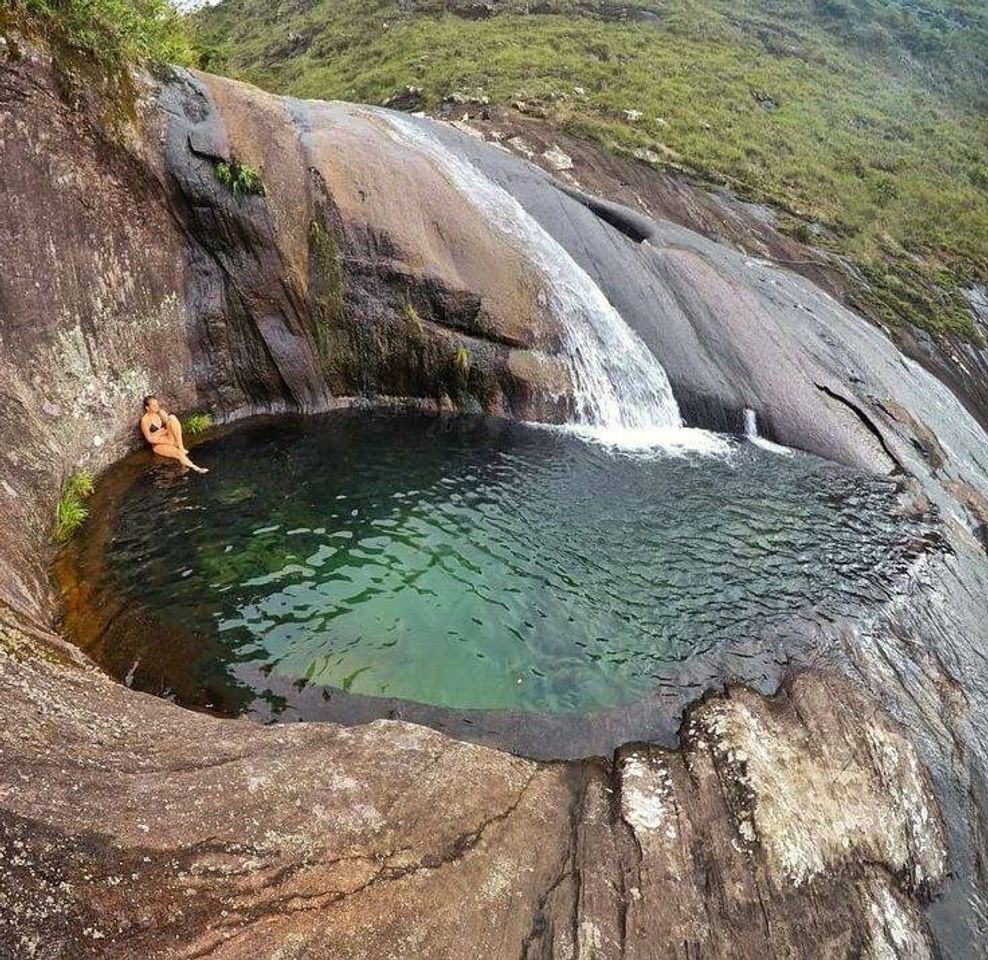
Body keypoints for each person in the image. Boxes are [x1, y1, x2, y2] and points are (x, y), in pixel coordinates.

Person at [139, 396, 209, 473]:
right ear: (147, 408)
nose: (157, 407)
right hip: (159, 444)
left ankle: (181, 446)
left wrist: (160, 432)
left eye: (157, 404)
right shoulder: (145, 420)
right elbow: (150, 439)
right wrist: (162, 434)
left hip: (168, 437)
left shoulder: (160, 413)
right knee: (178, 454)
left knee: (172, 417)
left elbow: (169, 424)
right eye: (154, 405)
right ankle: (196, 468)